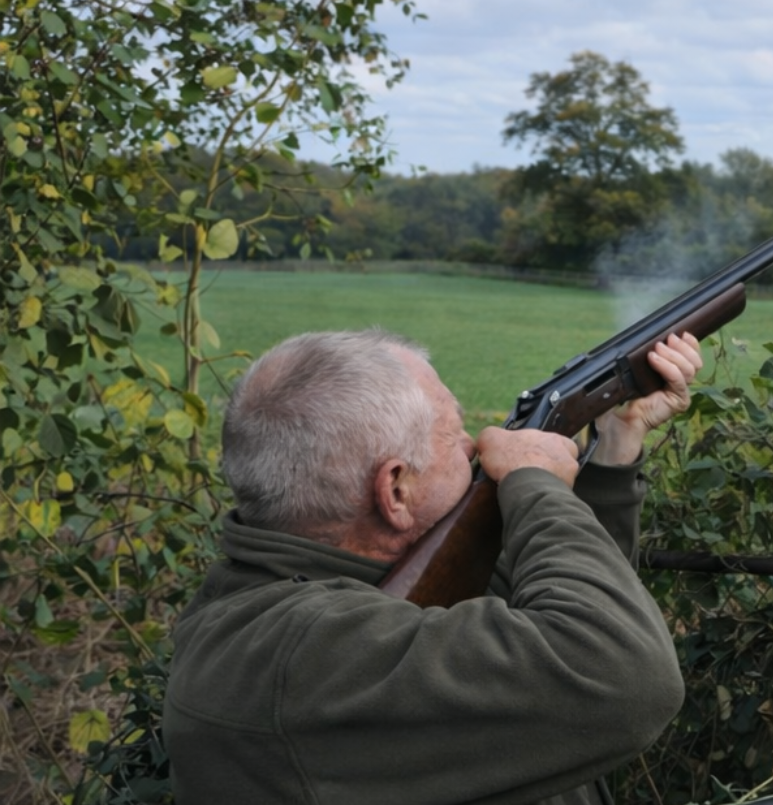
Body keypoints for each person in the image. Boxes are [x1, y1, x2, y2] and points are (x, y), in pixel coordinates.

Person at [164, 328, 704, 804]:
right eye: (454, 434)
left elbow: (574, 601)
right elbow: (620, 673)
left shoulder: (343, 593)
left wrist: (613, 446)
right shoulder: (295, 656)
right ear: (396, 490)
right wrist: (534, 483)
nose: (476, 445)